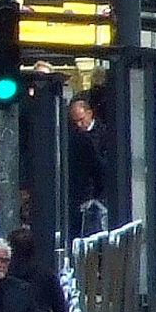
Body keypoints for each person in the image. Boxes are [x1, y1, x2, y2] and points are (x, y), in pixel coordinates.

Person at [65, 95, 107, 232]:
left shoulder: (105, 133)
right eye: (75, 121)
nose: (79, 124)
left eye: (81, 120)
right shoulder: (73, 137)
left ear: (89, 114)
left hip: (97, 196)